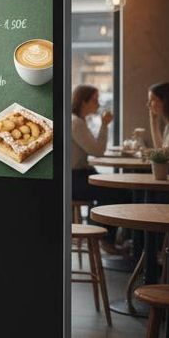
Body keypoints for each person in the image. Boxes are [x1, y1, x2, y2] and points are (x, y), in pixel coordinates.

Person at [70, 84, 129, 253]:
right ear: (83, 102)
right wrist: (104, 124)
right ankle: (104, 238)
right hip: (74, 178)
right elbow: (97, 151)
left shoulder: (78, 121)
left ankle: (104, 235)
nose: (98, 104)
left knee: (115, 190)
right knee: (117, 192)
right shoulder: (76, 123)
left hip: (78, 175)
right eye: (95, 100)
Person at [147, 82, 169, 149]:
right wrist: (153, 120)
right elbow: (160, 149)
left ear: (165, 100)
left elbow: (165, 152)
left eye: (152, 99)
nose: (148, 104)